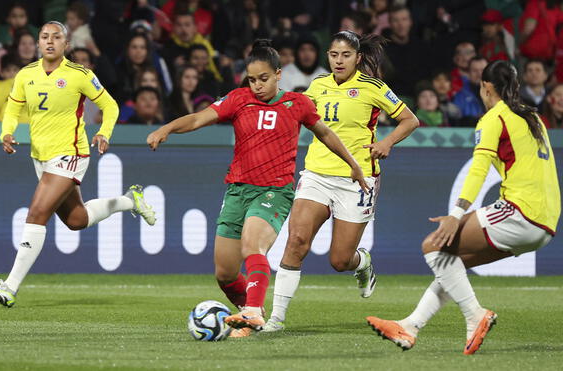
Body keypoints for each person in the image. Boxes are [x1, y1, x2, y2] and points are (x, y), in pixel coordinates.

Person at [147, 39, 367, 338]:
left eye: (264, 79)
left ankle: (252, 312)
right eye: (252, 80)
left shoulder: (297, 103)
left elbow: (325, 133)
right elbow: (199, 118)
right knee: (224, 273)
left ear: (279, 74)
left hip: (274, 191)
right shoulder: (238, 99)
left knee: (254, 246)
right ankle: (253, 312)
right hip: (237, 191)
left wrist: (353, 164)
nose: (257, 86)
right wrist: (167, 128)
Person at [366, 60, 560, 355]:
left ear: (486, 87)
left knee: (433, 245)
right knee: (453, 264)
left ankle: (475, 314)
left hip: (521, 210)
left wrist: (456, 215)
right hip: (546, 221)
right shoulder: (533, 117)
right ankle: (411, 325)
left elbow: (479, 169)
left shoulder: (495, 117)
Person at [0, 21, 156, 308]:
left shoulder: (80, 75)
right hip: (41, 156)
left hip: (70, 153)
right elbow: (12, 107)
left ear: (66, 44)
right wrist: (7, 132)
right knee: (77, 220)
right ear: (38, 42)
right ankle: (129, 201)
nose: (49, 41)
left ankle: (9, 287)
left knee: (36, 213)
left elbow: (111, 106)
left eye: (56, 37)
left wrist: (103, 132)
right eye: (44, 37)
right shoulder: (26, 75)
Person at [263, 30, 419, 333]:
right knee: (296, 242)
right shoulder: (317, 86)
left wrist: (386, 143)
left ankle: (361, 263)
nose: (338, 60)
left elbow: (410, 120)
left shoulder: (373, 88)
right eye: (334, 55)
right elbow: (295, 114)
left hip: (356, 180)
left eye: (346, 55)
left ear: (358, 58)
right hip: (317, 175)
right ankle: (276, 319)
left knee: (339, 259)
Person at [453, 56, 488, 127]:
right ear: (468, 73)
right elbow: (456, 122)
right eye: (475, 71)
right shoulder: (460, 96)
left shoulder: (500, 94)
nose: (479, 74)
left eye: (483, 70)